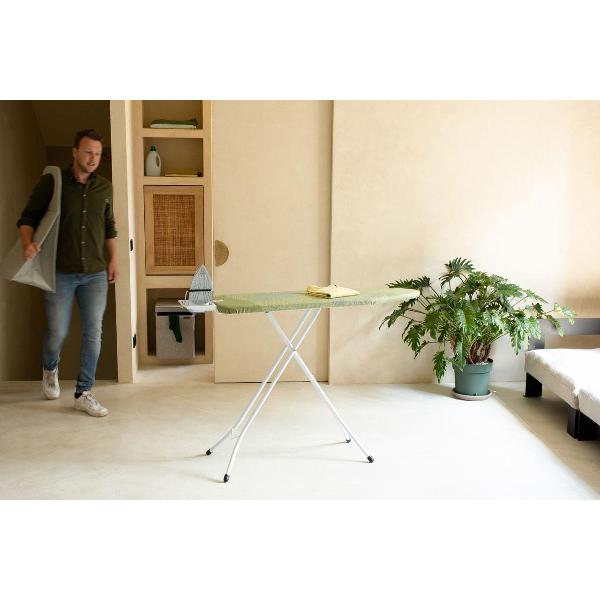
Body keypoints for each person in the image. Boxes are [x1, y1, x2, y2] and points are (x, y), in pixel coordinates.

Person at [17, 129, 117, 417]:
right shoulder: (53, 182)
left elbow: (109, 227)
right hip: (59, 272)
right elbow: (27, 218)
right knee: (57, 332)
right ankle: (50, 368)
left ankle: (84, 392)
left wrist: (114, 260)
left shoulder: (104, 188)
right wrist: (27, 244)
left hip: (95, 273)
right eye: (88, 152)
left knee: (93, 332)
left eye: (98, 154)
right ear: (74, 152)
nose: (93, 158)